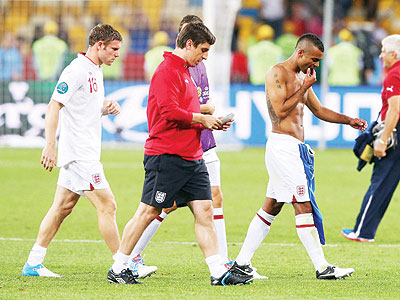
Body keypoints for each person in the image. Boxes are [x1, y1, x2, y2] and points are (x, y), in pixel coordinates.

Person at [107, 22, 252, 286]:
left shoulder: (185, 71)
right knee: (148, 211)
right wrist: (202, 118)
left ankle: (218, 271)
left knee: (205, 210)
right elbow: (168, 112)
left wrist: (210, 118)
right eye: (203, 49)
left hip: (192, 156)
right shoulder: (167, 71)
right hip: (167, 155)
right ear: (188, 44)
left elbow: (187, 110)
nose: (205, 56)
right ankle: (119, 267)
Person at [230, 33, 368, 280]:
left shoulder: (302, 76)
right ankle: (323, 267)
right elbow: (281, 110)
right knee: (302, 203)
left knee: (272, 205)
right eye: (314, 59)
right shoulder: (277, 73)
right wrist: (304, 87)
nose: (316, 65)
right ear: (301, 52)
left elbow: (318, 110)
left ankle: (241, 264)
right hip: (282, 147)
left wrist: (349, 120)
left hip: (293, 148)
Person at [22, 24, 123, 277]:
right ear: (99, 45)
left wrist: (104, 107)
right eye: (114, 49)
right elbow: (54, 105)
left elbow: (84, 108)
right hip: (80, 154)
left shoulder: (95, 69)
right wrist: (49, 144)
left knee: (61, 208)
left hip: (83, 150)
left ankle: (33, 263)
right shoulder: (76, 70)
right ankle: (123, 264)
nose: (117, 54)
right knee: (108, 205)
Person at [342, 34, 400, 242]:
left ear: (394, 54)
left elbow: (394, 110)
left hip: (395, 133)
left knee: (380, 183)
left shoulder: (395, 74)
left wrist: (383, 139)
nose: (381, 56)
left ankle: (362, 231)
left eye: (384, 51)